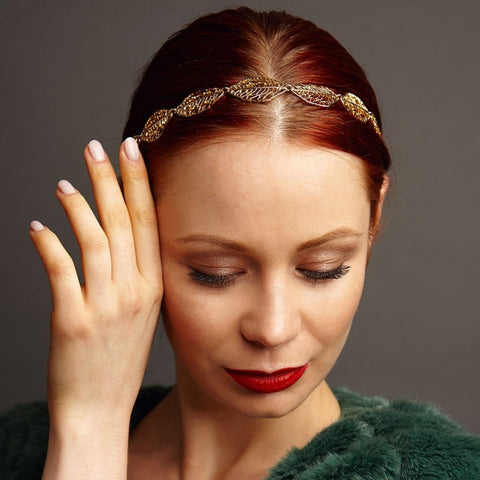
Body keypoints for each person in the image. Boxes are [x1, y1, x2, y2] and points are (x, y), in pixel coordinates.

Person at [1, 7, 479, 480]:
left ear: (372, 220)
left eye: (323, 267)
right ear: (131, 229)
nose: (271, 330)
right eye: (215, 271)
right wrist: (89, 430)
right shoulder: (16, 450)